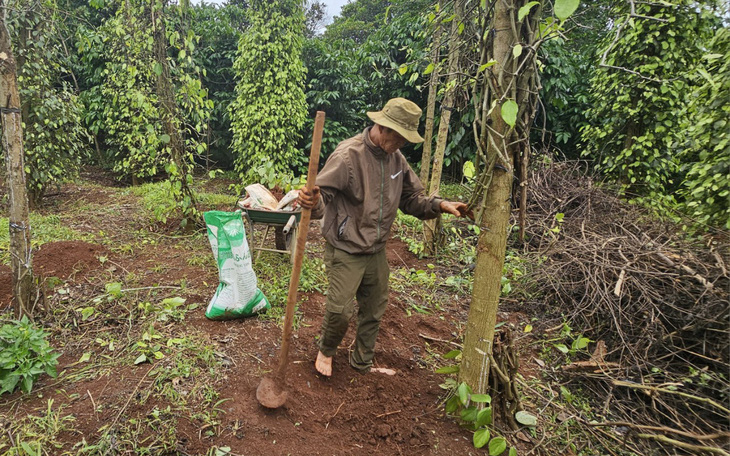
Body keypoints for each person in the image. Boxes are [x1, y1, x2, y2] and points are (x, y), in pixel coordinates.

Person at [299, 97, 472, 377]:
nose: (403, 144)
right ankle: (327, 351)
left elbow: (412, 198)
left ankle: (362, 362)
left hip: (376, 249)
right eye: (400, 137)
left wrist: (439, 205)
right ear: (383, 127)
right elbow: (321, 196)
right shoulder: (347, 156)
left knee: (374, 307)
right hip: (347, 247)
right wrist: (312, 201)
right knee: (340, 310)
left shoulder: (396, 159)